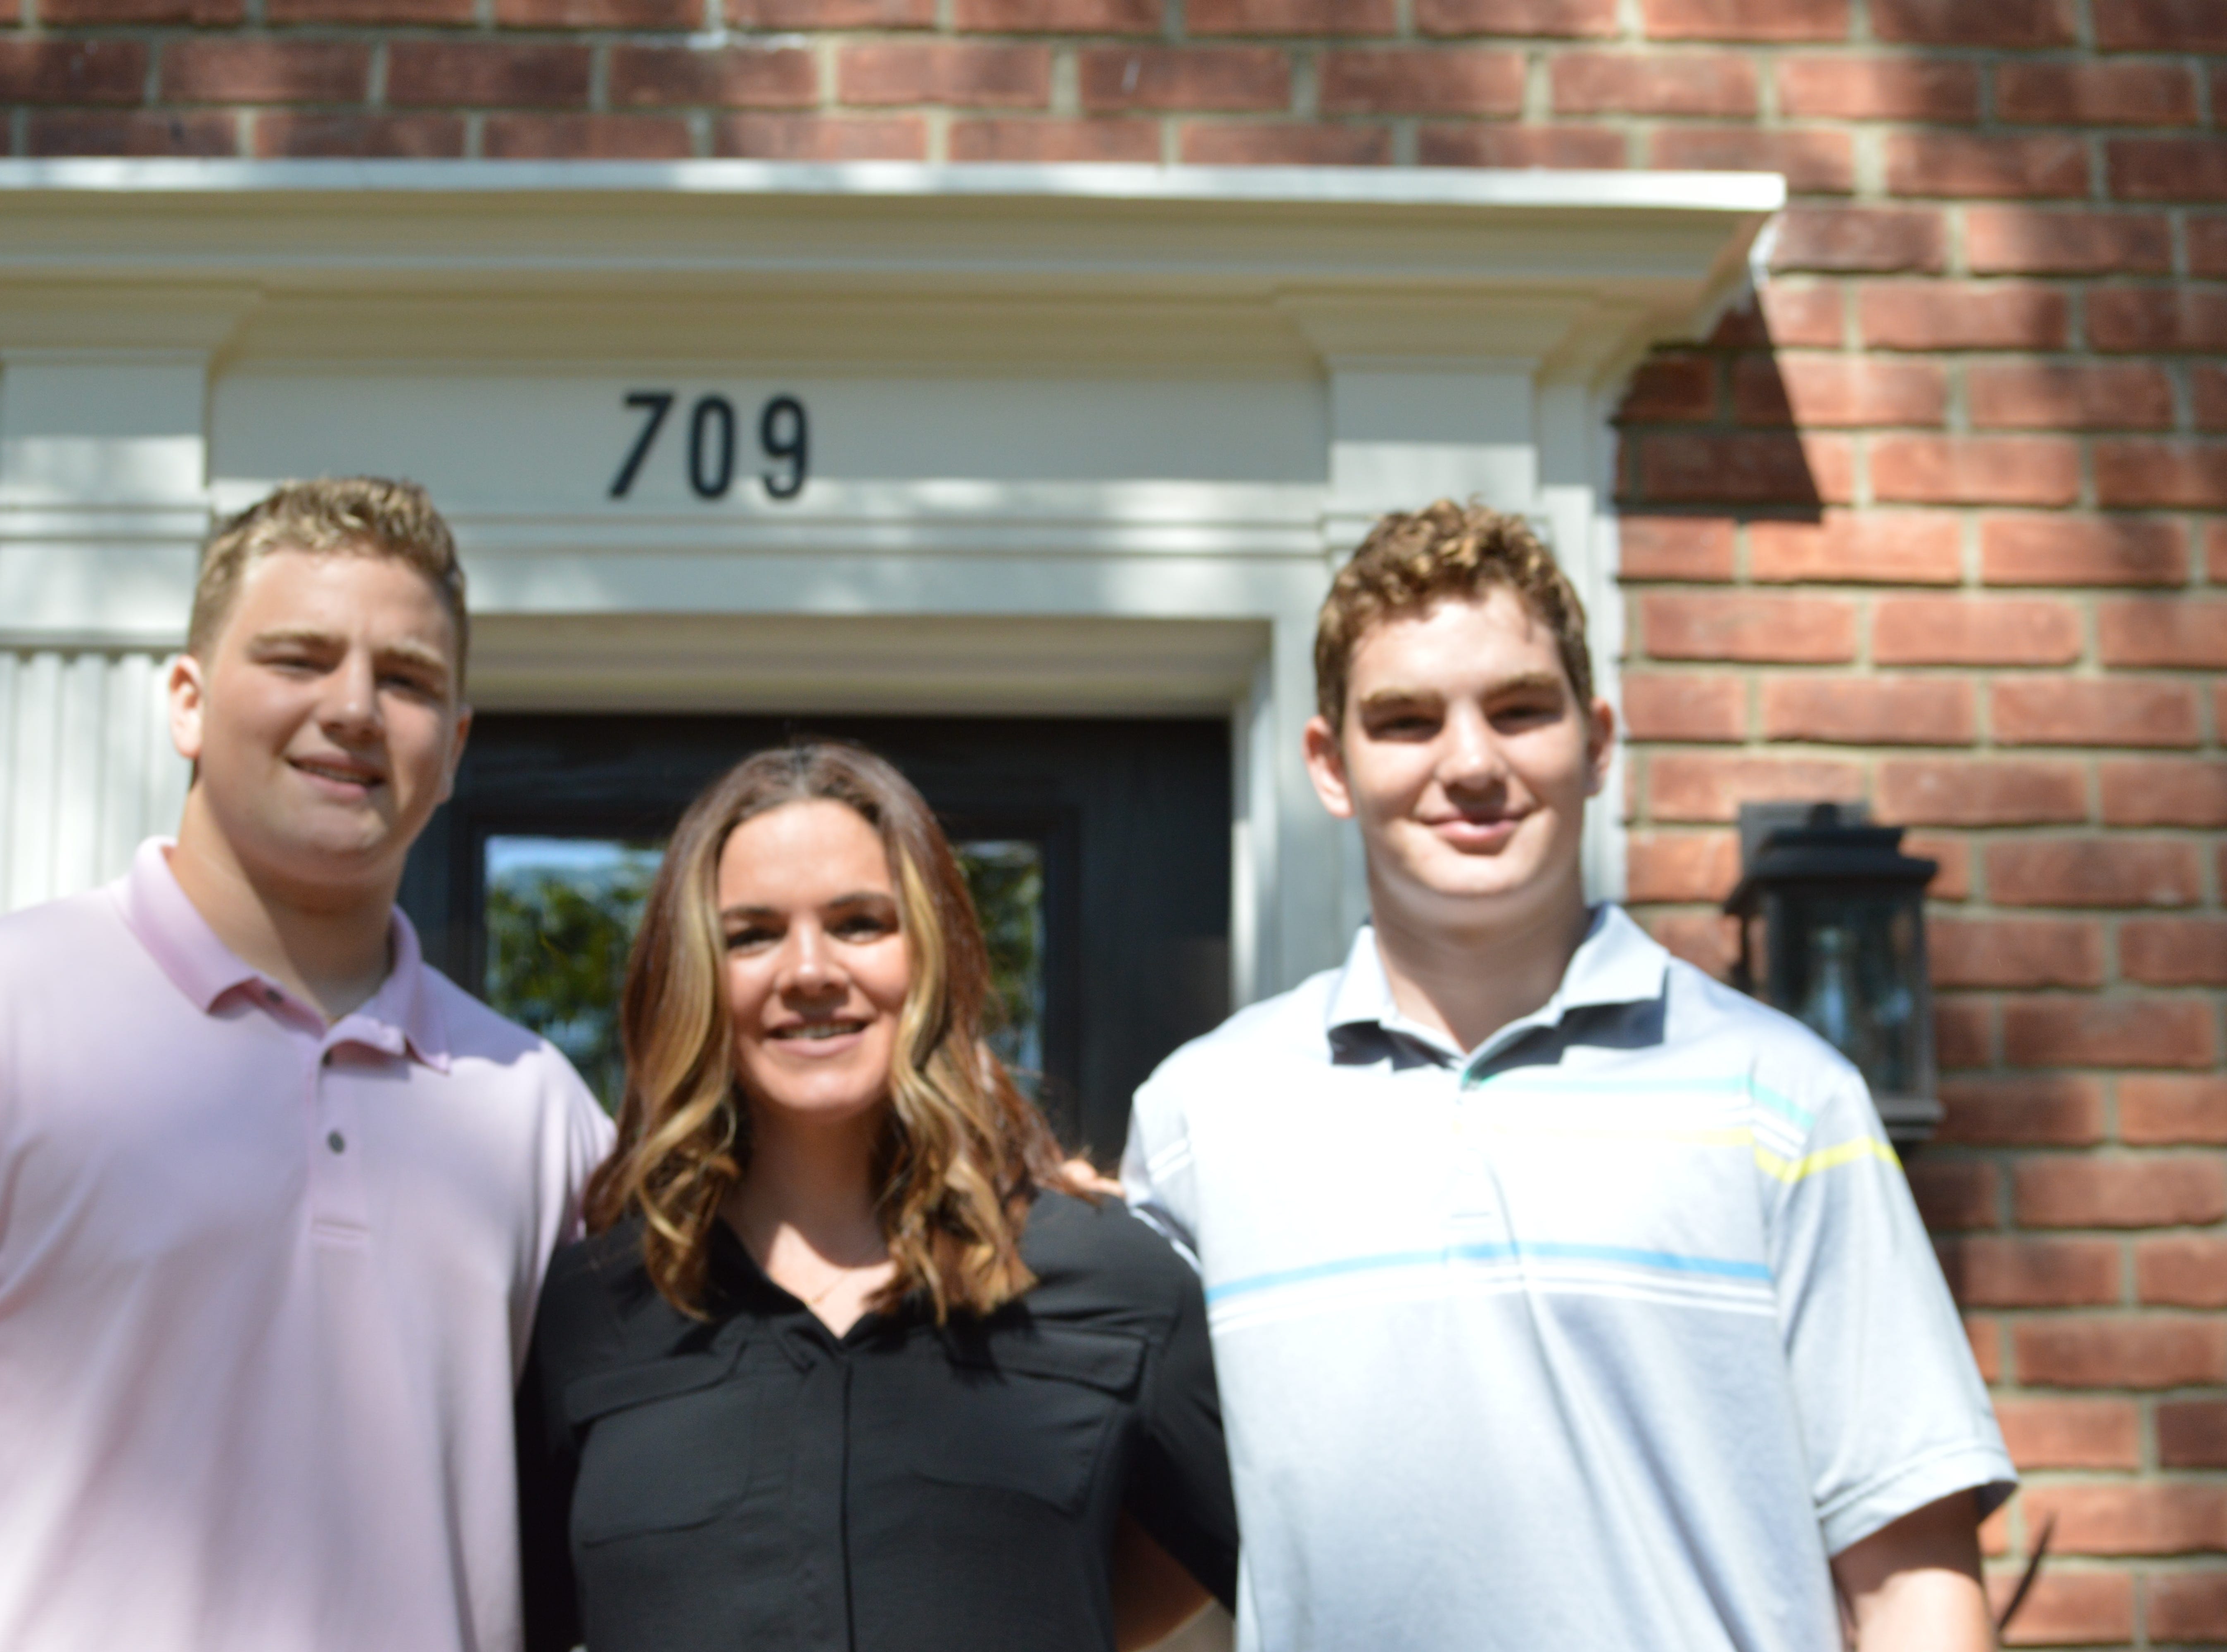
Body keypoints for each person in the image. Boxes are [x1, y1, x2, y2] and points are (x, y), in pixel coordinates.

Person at [1124, 501, 2015, 1652]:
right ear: (1329, 765)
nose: (1470, 763)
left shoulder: (1784, 1099)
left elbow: (1910, 1588)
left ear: (1597, 741)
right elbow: (1123, 1561)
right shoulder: (1198, 1120)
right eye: (1405, 720)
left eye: (1519, 710)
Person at [0, 478, 614, 1652]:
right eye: (300, 658)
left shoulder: (541, 1110)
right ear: (188, 703)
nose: (354, 708)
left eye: (406, 680)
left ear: (453, 748)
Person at [518, 741, 1236, 1652]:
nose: (809, 970)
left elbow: (1289, 1569)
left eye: (860, 923)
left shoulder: (1114, 1281)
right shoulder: (590, 1312)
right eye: (752, 934)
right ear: (694, 974)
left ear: (934, 952)